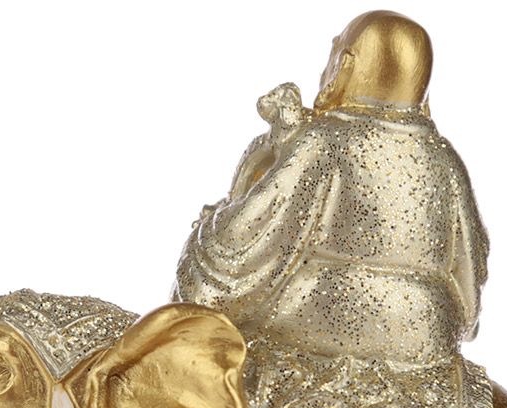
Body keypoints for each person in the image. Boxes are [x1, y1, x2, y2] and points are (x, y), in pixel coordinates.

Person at [172, 10, 488, 366]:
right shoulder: (446, 160)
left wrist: (211, 226)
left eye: (334, 55)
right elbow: (470, 274)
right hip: (429, 329)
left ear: (346, 65)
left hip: (330, 309)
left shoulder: (324, 141)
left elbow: (253, 235)